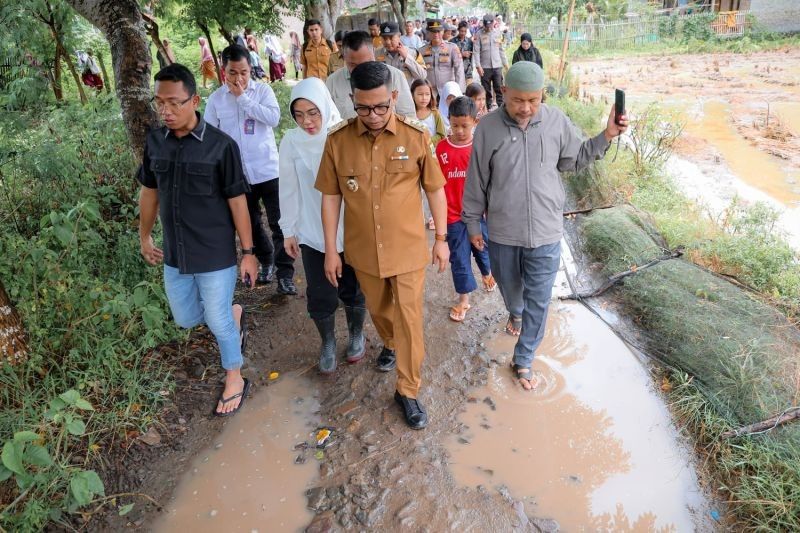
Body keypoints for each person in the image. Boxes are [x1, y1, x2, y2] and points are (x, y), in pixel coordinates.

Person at [461, 61, 628, 390]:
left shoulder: (556, 122)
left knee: (539, 298)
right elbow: (476, 179)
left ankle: (523, 359)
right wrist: (472, 224)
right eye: (518, 100)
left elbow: (575, 159)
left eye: (533, 101)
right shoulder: (487, 128)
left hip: (547, 231)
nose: (525, 109)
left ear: (543, 96)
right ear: (504, 92)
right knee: (511, 292)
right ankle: (515, 311)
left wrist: (607, 134)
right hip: (504, 232)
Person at [315, 61, 449, 430]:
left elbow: (435, 189)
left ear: (393, 97)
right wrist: (331, 249)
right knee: (381, 312)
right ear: (351, 100)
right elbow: (330, 197)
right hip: (364, 253)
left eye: (380, 107)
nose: (372, 115)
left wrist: (440, 238)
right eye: (362, 107)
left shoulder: (416, 136)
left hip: (407, 250)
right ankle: (391, 342)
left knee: (409, 320)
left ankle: (407, 389)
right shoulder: (338, 141)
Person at [138, 64, 257, 416]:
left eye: (174, 103)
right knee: (187, 319)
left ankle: (234, 376)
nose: (166, 111)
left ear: (195, 100)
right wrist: (144, 236)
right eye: (159, 103)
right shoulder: (155, 142)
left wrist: (248, 252)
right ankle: (234, 316)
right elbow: (149, 192)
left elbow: (238, 201)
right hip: (176, 253)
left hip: (215, 252)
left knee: (216, 319)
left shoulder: (221, 147)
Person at [279, 78, 367, 373]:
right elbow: (288, 188)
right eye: (299, 114)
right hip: (313, 231)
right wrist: (288, 229)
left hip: (351, 228)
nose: (307, 121)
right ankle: (328, 341)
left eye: (313, 112)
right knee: (321, 292)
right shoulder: (291, 142)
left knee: (353, 287)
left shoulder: (342, 134)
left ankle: (356, 333)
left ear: (325, 107)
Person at [204, 45, 297, 294]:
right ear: (224, 71)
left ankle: (286, 275)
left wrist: (243, 98)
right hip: (237, 176)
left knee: (280, 223)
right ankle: (267, 261)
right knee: (251, 223)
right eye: (233, 72)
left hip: (268, 169)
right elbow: (210, 136)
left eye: (243, 72)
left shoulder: (263, 91)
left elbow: (274, 118)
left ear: (250, 69)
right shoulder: (216, 100)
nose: (238, 78)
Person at [436, 96, 495, 323]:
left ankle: (487, 273)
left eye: (465, 126)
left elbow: (489, 182)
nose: (460, 130)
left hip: (477, 214)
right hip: (452, 217)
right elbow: (435, 187)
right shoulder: (441, 149)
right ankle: (464, 299)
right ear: (448, 120)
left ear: (475, 122)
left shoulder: (480, 148)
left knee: (482, 249)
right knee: (459, 259)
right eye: (455, 125)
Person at [325, 30, 415, 121]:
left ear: (373, 52)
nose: (361, 70)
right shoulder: (332, 82)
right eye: (353, 65)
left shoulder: (395, 76)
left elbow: (408, 116)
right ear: (344, 57)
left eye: (365, 63)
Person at [417, 19, 465, 102]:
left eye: (438, 31)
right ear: (428, 33)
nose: (436, 34)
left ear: (443, 32)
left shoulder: (452, 48)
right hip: (431, 92)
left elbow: (459, 71)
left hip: (449, 92)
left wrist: (459, 91)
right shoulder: (422, 51)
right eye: (433, 32)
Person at [474, 14, 508, 109]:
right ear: (484, 24)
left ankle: (501, 108)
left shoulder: (498, 33)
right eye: (486, 26)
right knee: (486, 90)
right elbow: (476, 52)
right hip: (485, 67)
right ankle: (488, 109)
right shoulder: (478, 34)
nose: (488, 28)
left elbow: (501, 50)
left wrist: (505, 64)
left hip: (497, 66)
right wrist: (478, 66)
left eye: (490, 26)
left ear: (493, 23)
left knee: (499, 88)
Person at [411, 79, 446, 149]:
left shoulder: (435, 113)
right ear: (412, 95)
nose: (424, 98)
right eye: (420, 94)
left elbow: (441, 135)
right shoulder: (409, 114)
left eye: (427, 94)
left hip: (432, 152)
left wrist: (426, 141)